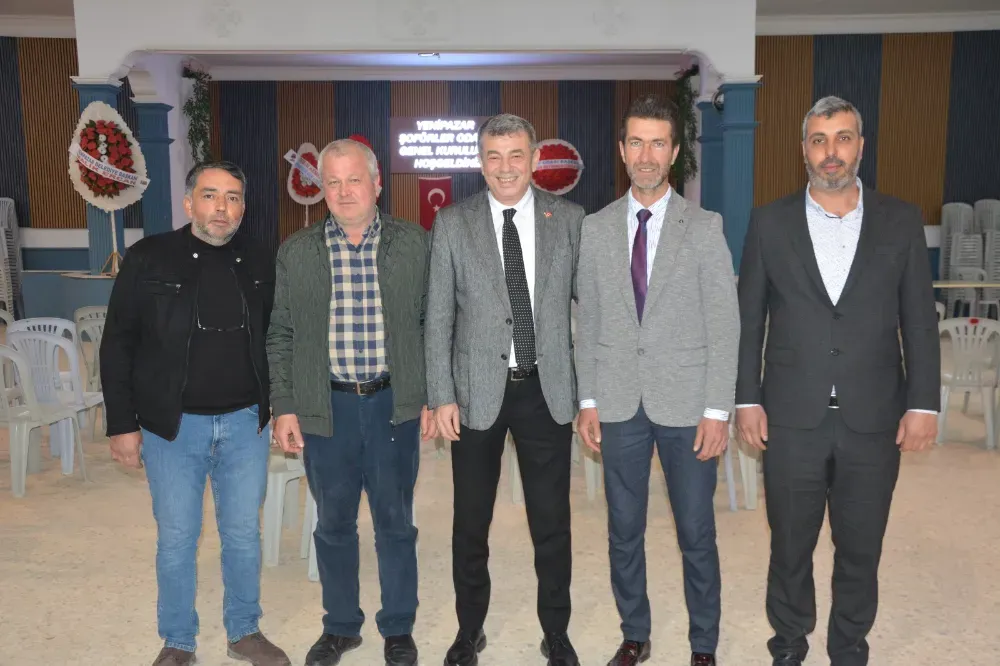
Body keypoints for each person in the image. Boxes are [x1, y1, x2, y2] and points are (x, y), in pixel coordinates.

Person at [735, 95, 940, 666]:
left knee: (861, 547)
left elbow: (919, 320)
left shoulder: (900, 220)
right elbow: (749, 319)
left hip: (874, 417)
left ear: (861, 146)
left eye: (843, 138)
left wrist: (924, 403)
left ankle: (849, 646)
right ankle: (788, 644)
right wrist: (746, 398)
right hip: (790, 417)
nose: (832, 152)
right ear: (804, 149)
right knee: (789, 546)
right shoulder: (769, 221)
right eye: (819, 140)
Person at [101, 161, 289, 666]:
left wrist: (283, 407)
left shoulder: (260, 259)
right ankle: (178, 640)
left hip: (245, 424)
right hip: (172, 427)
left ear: (243, 208)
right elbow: (117, 343)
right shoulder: (148, 257)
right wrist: (121, 424)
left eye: (232, 197)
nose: (221, 207)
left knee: (242, 537)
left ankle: (244, 631)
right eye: (210, 195)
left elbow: (278, 338)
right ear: (189, 203)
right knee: (178, 539)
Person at [574, 94, 739, 666]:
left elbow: (725, 325)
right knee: (624, 528)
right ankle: (634, 634)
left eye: (658, 144)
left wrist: (718, 410)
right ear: (622, 150)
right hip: (618, 402)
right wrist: (588, 399)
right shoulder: (595, 229)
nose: (646, 155)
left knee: (696, 530)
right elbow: (589, 322)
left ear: (673, 153)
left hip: (688, 406)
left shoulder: (705, 227)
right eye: (636, 143)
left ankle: (703, 644)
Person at [266, 139, 435, 666]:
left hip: (392, 406)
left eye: (353, 180)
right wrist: (284, 404)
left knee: (395, 523)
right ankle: (340, 626)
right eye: (332, 182)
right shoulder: (297, 251)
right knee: (333, 524)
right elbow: (281, 333)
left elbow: (435, 325)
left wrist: (434, 396)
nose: (343, 192)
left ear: (377, 183)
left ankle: (398, 627)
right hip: (326, 409)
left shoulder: (415, 244)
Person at [425, 113, 585, 666]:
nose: (505, 167)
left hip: (547, 390)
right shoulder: (453, 222)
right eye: (493, 156)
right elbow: (438, 316)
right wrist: (441, 394)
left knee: (552, 522)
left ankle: (556, 632)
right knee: (470, 523)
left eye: (516, 154)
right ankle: (469, 630)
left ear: (535, 158)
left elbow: (591, 310)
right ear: (480, 162)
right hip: (475, 394)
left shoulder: (569, 219)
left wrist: (592, 395)